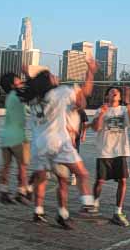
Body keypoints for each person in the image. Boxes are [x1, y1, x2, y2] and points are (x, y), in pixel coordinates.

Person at [24, 59, 98, 230]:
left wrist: (29, 76)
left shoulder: (33, 99)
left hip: (39, 146)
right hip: (58, 142)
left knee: (49, 178)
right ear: (48, 82)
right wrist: (91, 71)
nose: (55, 76)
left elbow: (32, 86)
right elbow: (85, 93)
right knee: (81, 174)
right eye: (51, 75)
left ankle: (44, 206)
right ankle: (87, 203)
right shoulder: (60, 93)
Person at [92, 86, 130, 227]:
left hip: (120, 151)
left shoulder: (124, 110)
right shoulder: (101, 110)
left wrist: (128, 103)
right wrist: (101, 114)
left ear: (120, 97)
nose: (114, 92)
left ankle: (118, 212)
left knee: (123, 180)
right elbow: (96, 128)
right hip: (105, 151)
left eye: (116, 91)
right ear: (107, 96)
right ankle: (94, 204)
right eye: (111, 91)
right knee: (100, 181)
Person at [0, 73, 32, 205]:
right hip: (18, 136)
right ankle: (21, 192)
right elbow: (30, 109)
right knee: (22, 166)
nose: (21, 81)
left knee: (6, 166)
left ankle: (3, 191)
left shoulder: (9, 97)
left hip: (6, 136)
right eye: (18, 79)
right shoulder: (18, 96)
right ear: (13, 84)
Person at [67, 105, 89, 186]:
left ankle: (73, 175)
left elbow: (84, 124)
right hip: (65, 137)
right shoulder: (66, 110)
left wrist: (84, 135)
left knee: (74, 156)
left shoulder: (81, 111)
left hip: (76, 138)